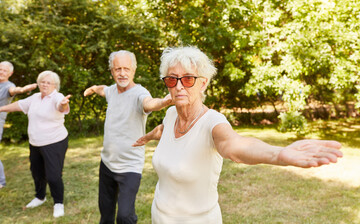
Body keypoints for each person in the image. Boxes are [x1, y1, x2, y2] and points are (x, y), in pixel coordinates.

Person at [133, 46, 343, 223]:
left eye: (187, 79)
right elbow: (166, 131)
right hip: (159, 217)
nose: (179, 86)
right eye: (172, 79)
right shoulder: (171, 115)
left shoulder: (212, 123)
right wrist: (150, 135)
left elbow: (235, 145)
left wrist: (277, 154)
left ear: (203, 82)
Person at [83, 50, 173, 224]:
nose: (122, 73)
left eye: (126, 69)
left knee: (124, 216)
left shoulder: (139, 93)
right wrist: (94, 89)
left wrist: (163, 102)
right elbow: (103, 90)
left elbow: (149, 103)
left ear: (134, 70)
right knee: (106, 214)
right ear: (112, 71)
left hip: (130, 167)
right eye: (118, 69)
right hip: (107, 164)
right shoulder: (111, 91)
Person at [0, 70, 71, 218]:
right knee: (37, 172)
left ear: (55, 85)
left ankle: (58, 203)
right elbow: (19, 105)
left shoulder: (58, 97)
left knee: (53, 176)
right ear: (38, 83)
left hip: (54, 142)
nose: (44, 85)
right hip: (35, 143)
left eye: (48, 82)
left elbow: (61, 107)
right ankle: (40, 197)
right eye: (42, 82)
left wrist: (64, 105)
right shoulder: (35, 97)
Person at [0, 61, 37, 189]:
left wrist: (24, 89)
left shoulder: (8, 86)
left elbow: (15, 90)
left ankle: (1, 181)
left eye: (4, 70)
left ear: (10, 73)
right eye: (0, 69)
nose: (1, 72)